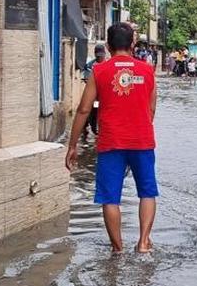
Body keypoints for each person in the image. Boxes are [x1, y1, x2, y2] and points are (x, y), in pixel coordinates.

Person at [66, 23, 158, 253]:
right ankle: (144, 242)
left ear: (108, 46)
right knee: (147, 192)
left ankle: (117, 249)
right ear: (133, 44)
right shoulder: (147, 71)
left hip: (111, 143)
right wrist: (140, 127)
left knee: (110, 197)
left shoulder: (99, 71)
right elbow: (152, 108)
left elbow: (84, 110)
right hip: (142, 141)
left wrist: (72, 144)